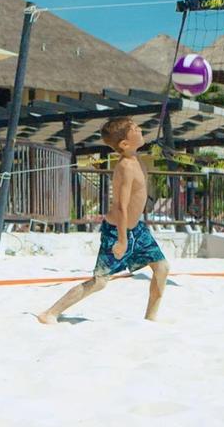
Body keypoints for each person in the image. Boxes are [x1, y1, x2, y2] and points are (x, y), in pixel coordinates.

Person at [38, 117, 169, 324]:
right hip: (118, 230)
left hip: (137, 230)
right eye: (136, 129)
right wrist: (122, 240)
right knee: (99, 282)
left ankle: (150, 318)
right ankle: (50, 313)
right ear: (125, 144)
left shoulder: (137, 159)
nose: (141, 129)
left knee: (162, 268)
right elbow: (121, 206)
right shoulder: (125, 166)